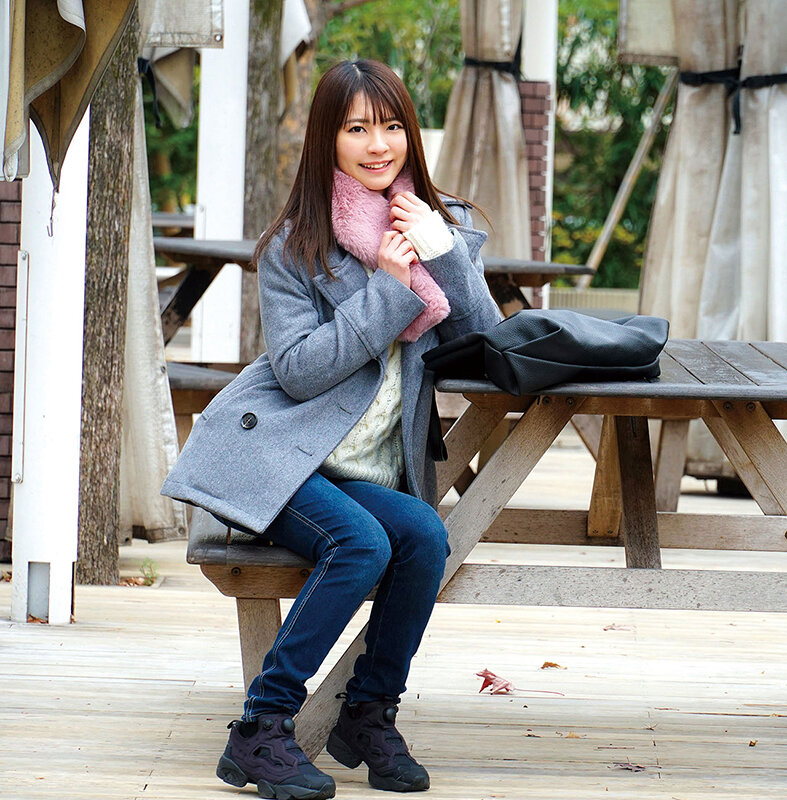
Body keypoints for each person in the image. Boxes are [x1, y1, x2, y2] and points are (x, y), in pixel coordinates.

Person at [161, 59, 501, 799]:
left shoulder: (436, 224)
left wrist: (443, 254)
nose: (378, 145)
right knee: (361, 542)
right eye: (357, 129)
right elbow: (299, 371)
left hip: (361, 470)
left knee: (424, 535)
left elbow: (487, 344)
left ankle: (368, 716)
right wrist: (387, 288)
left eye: (391, 126)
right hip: (277, 458)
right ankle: (260, 728)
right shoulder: (293, 247)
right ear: (328, 138)